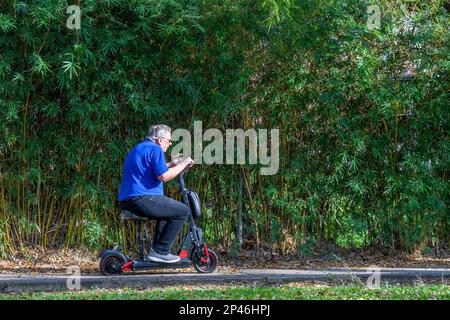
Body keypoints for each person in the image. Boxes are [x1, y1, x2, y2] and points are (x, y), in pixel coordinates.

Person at [118, 124, 194, 263]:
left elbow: (155, 167)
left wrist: (172, 163)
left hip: (130, 199)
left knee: (167, 210)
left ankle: (158, 251)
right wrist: (184, 163)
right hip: (141, 199)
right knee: (182, 210)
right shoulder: (155, 149)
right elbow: (164, 176)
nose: (170, 144)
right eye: (168, 140)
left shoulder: (140, 147)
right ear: (160, 140)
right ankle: (161, 251)